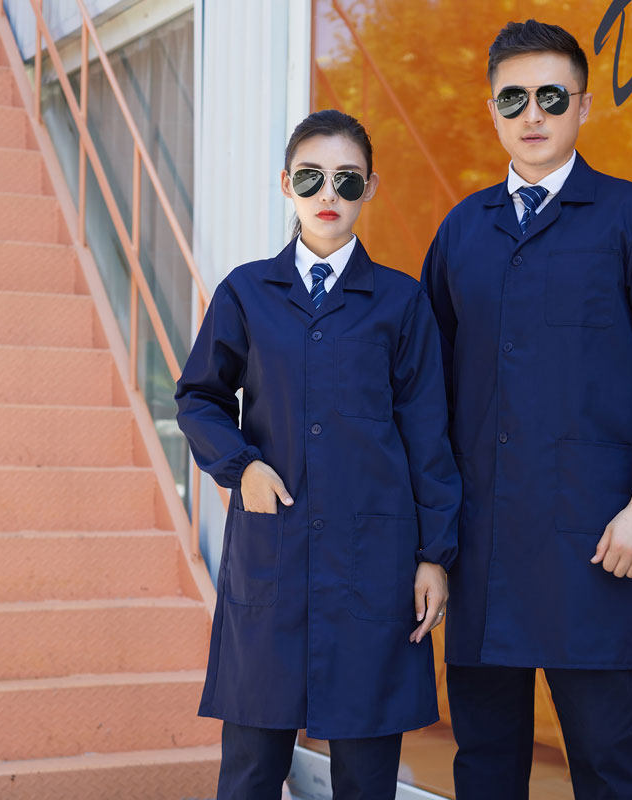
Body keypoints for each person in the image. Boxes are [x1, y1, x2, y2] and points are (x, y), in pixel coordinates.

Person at [421, 19, 632, 800]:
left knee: (610, 757)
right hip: (482, 543)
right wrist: (431, 542)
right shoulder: (461, 231)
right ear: (492, 110)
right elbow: (426, 394)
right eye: (513, 98)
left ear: (582, 106)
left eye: (552, 97)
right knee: (484, 761)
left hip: (595, 538)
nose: (533, 115)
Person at [175, 109, 460, 800]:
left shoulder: (401, 302)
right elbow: (198, 397)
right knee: (250, 769)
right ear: (287, 184)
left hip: (373, 566)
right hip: (272, 558)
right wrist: (241, 466)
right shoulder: (247, 292)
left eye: (346, 179)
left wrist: (434, 556)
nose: (328, 193)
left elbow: (428, 436)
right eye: (311, 177)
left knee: (366, 775)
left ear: (370, 188)